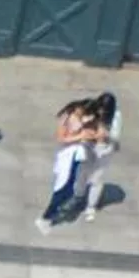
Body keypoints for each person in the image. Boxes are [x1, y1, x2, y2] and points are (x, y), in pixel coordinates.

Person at [39, 97, 102, 230]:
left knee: (71, 185)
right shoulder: (68, 118)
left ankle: (54, 211)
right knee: (62, 186)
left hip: (78, 155)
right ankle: (48, 214)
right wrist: (80, 136)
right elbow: (61, 138)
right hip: (67, 155)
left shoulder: (86, 118)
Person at [74, 90, 121, 221]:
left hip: (104, 150)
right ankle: (78, 197)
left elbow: (115, 135)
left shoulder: (116, 116)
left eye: (104, 111)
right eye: (100, 108)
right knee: (82, 172)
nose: (101, 112)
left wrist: (106, 133)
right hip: (88, 145)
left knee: (96, 179)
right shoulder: (91, 108)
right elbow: (79, 121)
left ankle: (91, 207)